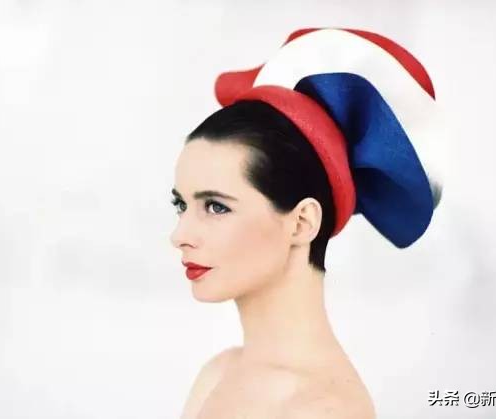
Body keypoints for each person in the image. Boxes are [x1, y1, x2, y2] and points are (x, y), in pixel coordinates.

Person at [169, 27, 444, 419]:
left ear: (302, 222)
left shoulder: (325, 410)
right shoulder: (218, 373)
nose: (179, 235)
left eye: (215, 207)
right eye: (181, 204)